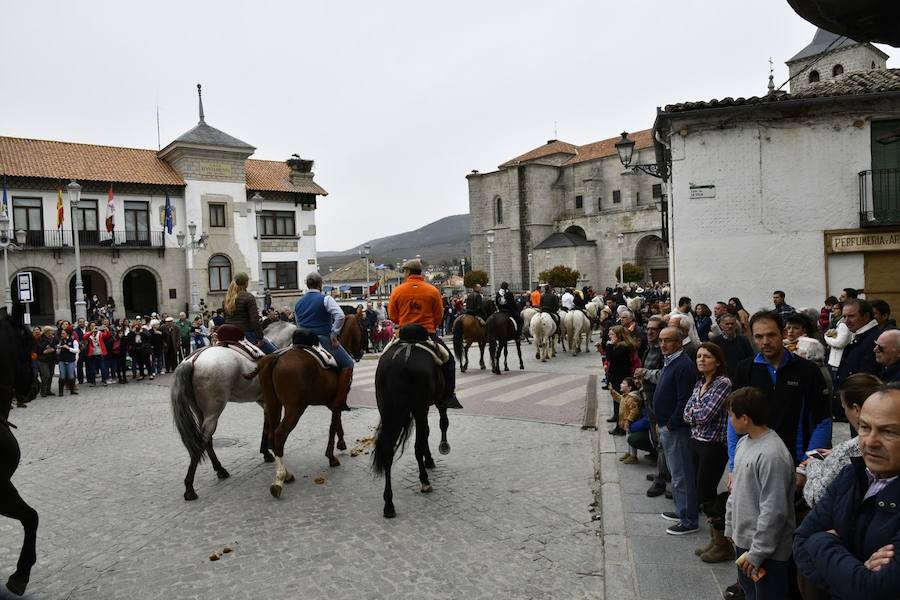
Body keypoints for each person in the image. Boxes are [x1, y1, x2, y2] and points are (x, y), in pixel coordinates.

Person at [794, 383, 900, 599]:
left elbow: (874, 590)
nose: (870, 441)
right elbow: (800, 542)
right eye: (864, 427)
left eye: (888, 431)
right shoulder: (851, 475)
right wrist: (856, 576)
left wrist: (823, 541)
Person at [725, 387, 796, 600]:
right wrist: (731, 528)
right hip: (745, 543)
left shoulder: (772, 455)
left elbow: (774, 510)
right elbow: (736, 491)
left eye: (731, 416)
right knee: (750, 592)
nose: (729, 421)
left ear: (745, 418)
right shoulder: (744, 442)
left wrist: (757, 552)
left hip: (767, 552)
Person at [683, 342, 733, 562]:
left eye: (707, 357)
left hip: (714, 444)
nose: (701, 360)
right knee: (700, 490)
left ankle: (723, 543)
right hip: (696, 441)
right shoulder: (700, 382)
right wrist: (695, 413)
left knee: (706, 491)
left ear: (718, 361)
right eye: (699, 356)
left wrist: (695, 413)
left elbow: (705, 415)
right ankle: (715, 539)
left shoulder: (723, 383)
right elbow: (688, 412)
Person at [802, 374, 883, 509]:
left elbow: (816, 497)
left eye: (844, 407)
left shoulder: (850, 451)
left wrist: (813, 463)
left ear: (856, 409)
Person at [388, 259, 461, 409]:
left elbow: (393, 316)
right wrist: (430, 326)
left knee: (385, 358)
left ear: (407, 272)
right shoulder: (432, 290)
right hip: (427, 334)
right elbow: (439, 316)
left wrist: (404, 320)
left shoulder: (397, 290)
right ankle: (449, 395)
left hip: (403, 334)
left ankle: (383, 391)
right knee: (449, 360)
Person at [654, 326, 700, 535]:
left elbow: (684, 400)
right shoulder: (671, 361)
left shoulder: (683, 365)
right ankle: (682, 510)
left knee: (682, 474)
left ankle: (689, 520)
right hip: (667, 425)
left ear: (680, 342)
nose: (663, 344)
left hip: (677, 429)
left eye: (669, 340)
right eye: (661, 340)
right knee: (676, 472)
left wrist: (671, 423)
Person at [294, 272, 355, 410]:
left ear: (307, 284)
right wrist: (334, 333)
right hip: (321, 337)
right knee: (348, 363)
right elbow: (340, 316)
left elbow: (298, 322)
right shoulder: (326, 299)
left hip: (301, 339)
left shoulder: (298, 302)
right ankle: (339, 401)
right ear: (320, 284)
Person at [634, 316, 671, 498]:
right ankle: (661, 472)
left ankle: (663, 480)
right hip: (649, 400)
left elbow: (664, 375)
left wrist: (645, 373)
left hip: (661, 403)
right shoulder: (649, 349)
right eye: (647, 328)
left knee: (663, 442)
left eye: (653, 329)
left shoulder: (664, 351)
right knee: (657, 441)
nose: (649, 332)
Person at [835, 299, 882, 391]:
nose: (846, 321)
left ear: (866, 316)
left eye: (851, 316)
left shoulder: (875, 339)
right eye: (844, 317)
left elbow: (867, 379)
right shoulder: (859, 336)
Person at [222, 272, 276, 354]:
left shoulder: (226, 299)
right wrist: (260, 337)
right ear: (246, 283)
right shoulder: (249, 297)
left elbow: (225, 319)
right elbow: (254, 320)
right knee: (275, 353)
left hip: (230, 335)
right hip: (246, 334)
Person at [605, 325, 638, 433]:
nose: (609, 336)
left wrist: (609, 345)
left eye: (612, 334)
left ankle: (620, 427)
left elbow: (610, 357)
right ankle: (616, 416)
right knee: (616, 399)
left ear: (619, 336)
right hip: (617, 375)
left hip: (620, 376)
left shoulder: (622, 347)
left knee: (621, 402)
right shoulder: (620, 345)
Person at [711, 314, 755, 381]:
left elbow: (751, 358)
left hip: (743, 376)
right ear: (721, 326)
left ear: (736, 325)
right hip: (725, 378)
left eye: (732, 324)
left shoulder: (743, 340)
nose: (730, 326)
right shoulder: (716, 342)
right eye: (727, 324)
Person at [612, 377, 643, 463]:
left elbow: (634, 411)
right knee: (627, 438)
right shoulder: (626, 396)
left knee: (630, 438)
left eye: (623, 383)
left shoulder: (632, 398)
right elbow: (619, 399)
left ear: (629, 388)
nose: (621, 384)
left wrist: (629, 421)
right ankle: (629, 453)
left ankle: (633, 456)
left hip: (630, 423)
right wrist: (612, 392)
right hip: (626, 423)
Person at [36, 326, 58, 397]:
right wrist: (44, 351)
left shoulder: (53, 338)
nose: (52, 332)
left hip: (51, 359)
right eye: (51, 331)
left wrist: (53, 349)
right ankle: (43, 391)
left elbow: (56, 346)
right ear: (47, 332)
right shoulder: (41, 339)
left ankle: (48, 390)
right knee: (46, 375)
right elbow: (38, 349)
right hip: (43, 360)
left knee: (51, 375)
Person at [56, 328, 79, 395]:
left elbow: (76, 350)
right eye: (61, 333)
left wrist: (68, 348)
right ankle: (60, 392)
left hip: (71, 360)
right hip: (62, 360)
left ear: (67, 334)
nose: (62, 335)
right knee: (62, 375)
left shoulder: (73, 341)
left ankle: (72, 391)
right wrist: (58, 349)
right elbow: (57, 353)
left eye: (63, 333)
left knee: (71, 376)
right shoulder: (60, 341)